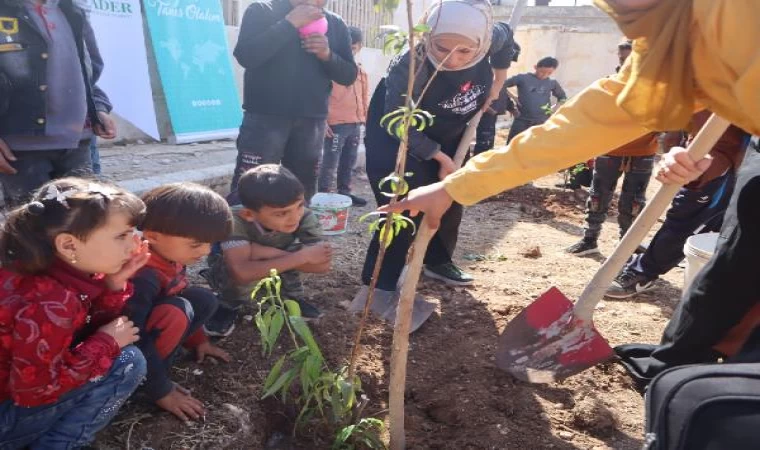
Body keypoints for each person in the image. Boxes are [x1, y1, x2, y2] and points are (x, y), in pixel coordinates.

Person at [380, 0, 760, 387]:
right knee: (731, 269)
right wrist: (455, 186)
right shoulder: (679, 34)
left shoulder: (732, 18)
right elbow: (591, 120)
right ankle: (680, 366)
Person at [361, 0, 518, 291]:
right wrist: (439, 157)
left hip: (451, 129)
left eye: (465, 51)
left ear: (481, 43)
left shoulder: (490, 35)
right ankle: (379, 284)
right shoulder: (410, 66)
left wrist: (499, 80)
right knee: (404, 205)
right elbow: (397, 123)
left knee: (451, 195)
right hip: (398, 135)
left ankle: (437, 261)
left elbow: (506, 35)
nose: (453, 60)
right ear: (428, 37)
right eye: (442, 48)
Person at [0, 178, 149, 448]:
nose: (134, 245)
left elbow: (78, 327)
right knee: (128, 362)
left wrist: (113, 286)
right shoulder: (50, 298)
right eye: (121, 236)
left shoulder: (32, 266)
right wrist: (106, 343)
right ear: (68, 245)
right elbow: (34, 392)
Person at [606, 111, 749, 298]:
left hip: (733, 162)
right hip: (710, 155)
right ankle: (650, 263)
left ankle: (646, 269)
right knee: (686, 217)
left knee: (699, 223)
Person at [230, 0, 358, 203]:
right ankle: (241, 233)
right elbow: (246, 55)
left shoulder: (334, 23)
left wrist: (327, 55)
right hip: (265, 118)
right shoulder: (263, 10)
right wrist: (289, 24)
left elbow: (349, 75)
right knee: (251, 184)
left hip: (312, 121)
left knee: (302, 189)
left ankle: (294, 232)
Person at [125, 183, 233, 422]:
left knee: (203, 298)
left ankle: (161, 362)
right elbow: (133, 336)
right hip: (128, 349)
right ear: (152, 237)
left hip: (155, 328)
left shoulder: (170, 256)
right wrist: (161, 390)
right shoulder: (142, 276)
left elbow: (179, 290)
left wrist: (199, 341)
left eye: (210, 243)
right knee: (177, 311)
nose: (205, 251)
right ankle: (140, 382)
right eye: (196, 244)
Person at [0, 0, 116, 207]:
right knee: (32, 230)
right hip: (20, 149)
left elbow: (88, 71)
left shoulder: (72, 10)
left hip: (78, 142)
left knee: (85, 225)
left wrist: (97, 107)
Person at [204, 165, 332, 336]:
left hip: (263, 261)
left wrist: (267, 252)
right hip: (230, 271)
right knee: (233, 263)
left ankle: (290, 297)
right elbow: (240, 273)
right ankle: (229, 303)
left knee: (295, 249)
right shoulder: (235, 219)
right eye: (282, 213)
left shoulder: (305, 216)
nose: (295, 217)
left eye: (300, 205)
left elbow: (322, 266)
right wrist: (303, 256)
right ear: (249, 214)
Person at [565, 132, 659, 256]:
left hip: (643, 151)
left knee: (633, 202)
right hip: (609, 147)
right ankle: (589, 240)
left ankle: (626, 245)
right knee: (597, 197)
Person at [318, 26, 368, 207]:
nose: (350, 51)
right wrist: (322, 121)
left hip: (355, 124)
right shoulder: (329, 70)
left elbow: (364, 96)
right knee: (331, 161)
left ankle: (345, 192)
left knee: (349, 160)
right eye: (347, 47)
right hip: (336, 125)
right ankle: (323, 195)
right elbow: (319, 96)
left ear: (359, 47)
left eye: (353, 48)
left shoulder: (361, 71)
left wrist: (365, 119)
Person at [505, 56, 566, 144]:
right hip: (522, 119)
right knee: (513, 143)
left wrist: (555, 108)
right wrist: (513, 97)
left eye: (549, 73)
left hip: (542, 121)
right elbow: (501, 85)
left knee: (536, 145)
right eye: (542, 72)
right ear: (535, 67)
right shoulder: (523, 78)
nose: (545, 75)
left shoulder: (552, 83)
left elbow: (563, 97)